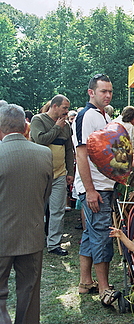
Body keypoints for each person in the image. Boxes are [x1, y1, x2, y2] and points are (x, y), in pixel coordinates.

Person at [0, 104, 53, 324]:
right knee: (29, 295)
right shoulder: (44, 154)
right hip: (32, 233)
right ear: (26, 127)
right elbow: (45, 194)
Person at [72, 74, 120, 305]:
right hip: (96, 188)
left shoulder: (102, 115)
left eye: (110, 91)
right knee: (102, 236)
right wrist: (90, 190)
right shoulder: (86, 116)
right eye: (103, 91)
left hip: (103, 185)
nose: (108, 95)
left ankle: (85, 282)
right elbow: (81, 154)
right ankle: (104, 288)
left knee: (91, 234)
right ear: (91, 92)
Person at [30, 94, 74, 256]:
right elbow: (40, 140)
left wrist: (70, 171)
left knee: (57, 210)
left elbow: (69, 149)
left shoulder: (67, 126)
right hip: (39, 172)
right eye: (64, 108)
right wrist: (57, 127)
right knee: (37, 209)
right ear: (54, 106)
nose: (66, 111)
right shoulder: (38, 120)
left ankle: (54, 243)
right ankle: (33, 240)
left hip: (60, 173)